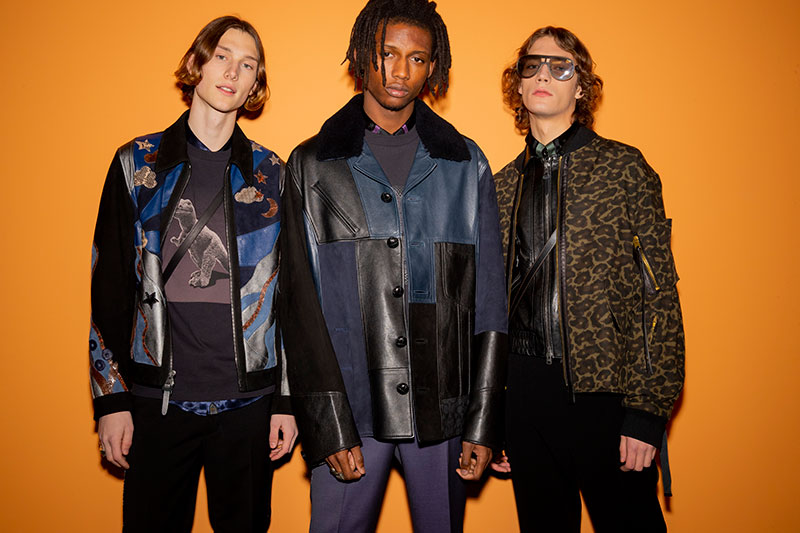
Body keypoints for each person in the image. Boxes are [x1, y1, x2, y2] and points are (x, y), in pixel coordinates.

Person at [278, 1, 508, 531]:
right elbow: (299, 308)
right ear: (364, 55)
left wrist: (482, 417)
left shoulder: (465, 163)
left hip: (444, 412)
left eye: (417, 58)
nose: (401, 71)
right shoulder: (312, 164)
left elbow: (490, 299)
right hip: (351, 410)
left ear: (433, 67)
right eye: (387, 54)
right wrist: (329, 424)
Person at [89, 16, 296, 532]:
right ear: (196, 63)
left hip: (249, 403)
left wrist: (287, 400)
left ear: (255, 83)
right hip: (156, 401)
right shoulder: (137, 164)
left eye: (248, 65)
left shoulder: (272, 174)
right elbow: (108, 287)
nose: (233, 72)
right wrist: (110, 399)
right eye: (222, 56)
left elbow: (291, 297)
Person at [491, 26, 685, 532]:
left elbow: (658, 296)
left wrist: (647, 410)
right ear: (518, 83)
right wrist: (493, 413)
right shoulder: (499, 186)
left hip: (607, 396)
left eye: (561, 67)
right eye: (532, 65)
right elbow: (489, 306)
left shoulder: (624, 169)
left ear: (581, 88)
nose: (544, 75)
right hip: (524, 398)